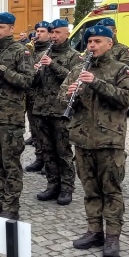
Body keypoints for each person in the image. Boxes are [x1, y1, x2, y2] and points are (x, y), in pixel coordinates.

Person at [60, 25, 129, 257]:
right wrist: (68, 93)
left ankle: (112, 236)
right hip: (82, 139)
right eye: (90, 41)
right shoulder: (77, 70)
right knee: (90, 189)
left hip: (109, 141)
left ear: (109, 43)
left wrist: (96, 83)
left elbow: (125, 99)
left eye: (97, 41)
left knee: (111, 190)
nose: (92, 46)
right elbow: (61, 96)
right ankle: (94, 230)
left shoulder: (121, 69)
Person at [0, 12, 33, 224]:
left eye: (1, 27)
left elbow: (27, 81)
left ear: (11, 28)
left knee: (10, 163)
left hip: (10, 117)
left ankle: (12, 206)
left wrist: (0, 70)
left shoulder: (22, 51)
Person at [32, 19, 79, 205]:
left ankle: (67, 187)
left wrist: (52, 65)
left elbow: (72, 78)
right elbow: (32, 84)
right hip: (42, 109)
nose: (54, 36)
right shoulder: (42, 54)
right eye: (52, 33)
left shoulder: (75, 56)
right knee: (47, 150)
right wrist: (35, 72)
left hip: (61, 110)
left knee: (63, 151)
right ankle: (52, 185)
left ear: (67, 34)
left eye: (58, 33)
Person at [25, 21, 52, 173]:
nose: (38, 34)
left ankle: (48, 162)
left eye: (42, 31)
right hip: (31, 95)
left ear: (49, 33)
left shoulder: (50, 49)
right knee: (34, 129)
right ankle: (39, 158)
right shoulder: (31, 48)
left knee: (45, 132)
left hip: (45, 96)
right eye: (37, 31)